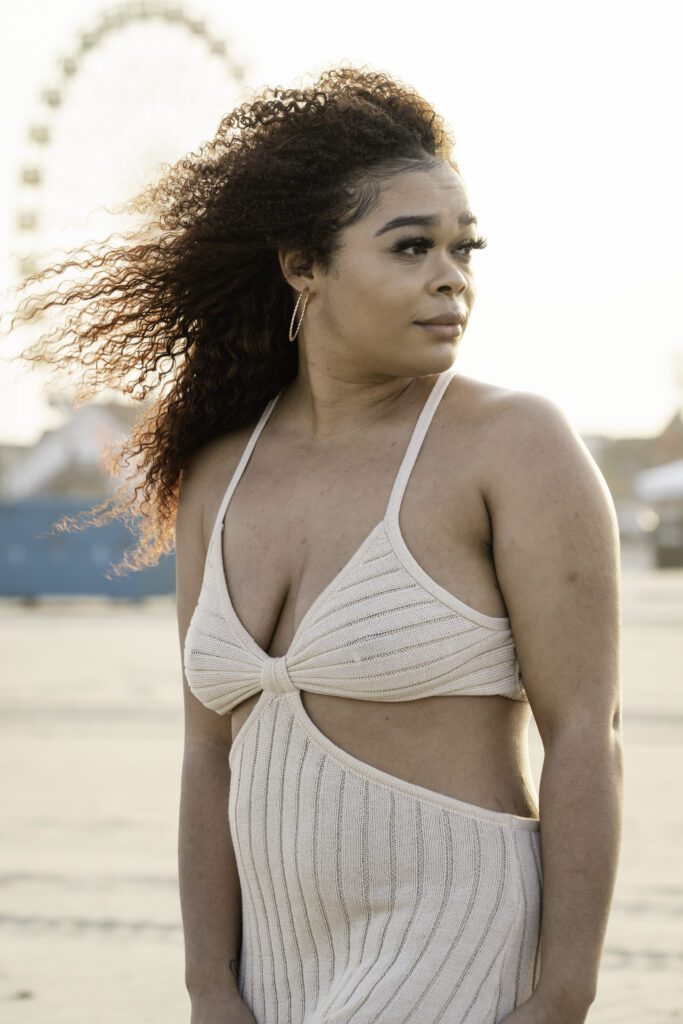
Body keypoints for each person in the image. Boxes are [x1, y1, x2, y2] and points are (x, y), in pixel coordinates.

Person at [4, 65, 622, 1024]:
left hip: (454, 939)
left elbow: (585, 732)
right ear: (303, 264)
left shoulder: (512, 444)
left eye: (465, 247)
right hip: (275, 966)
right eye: (410, 246)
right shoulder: (221, 470)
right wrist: (210, 983)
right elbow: (207, 750)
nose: (451, 276)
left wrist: (561, 996)